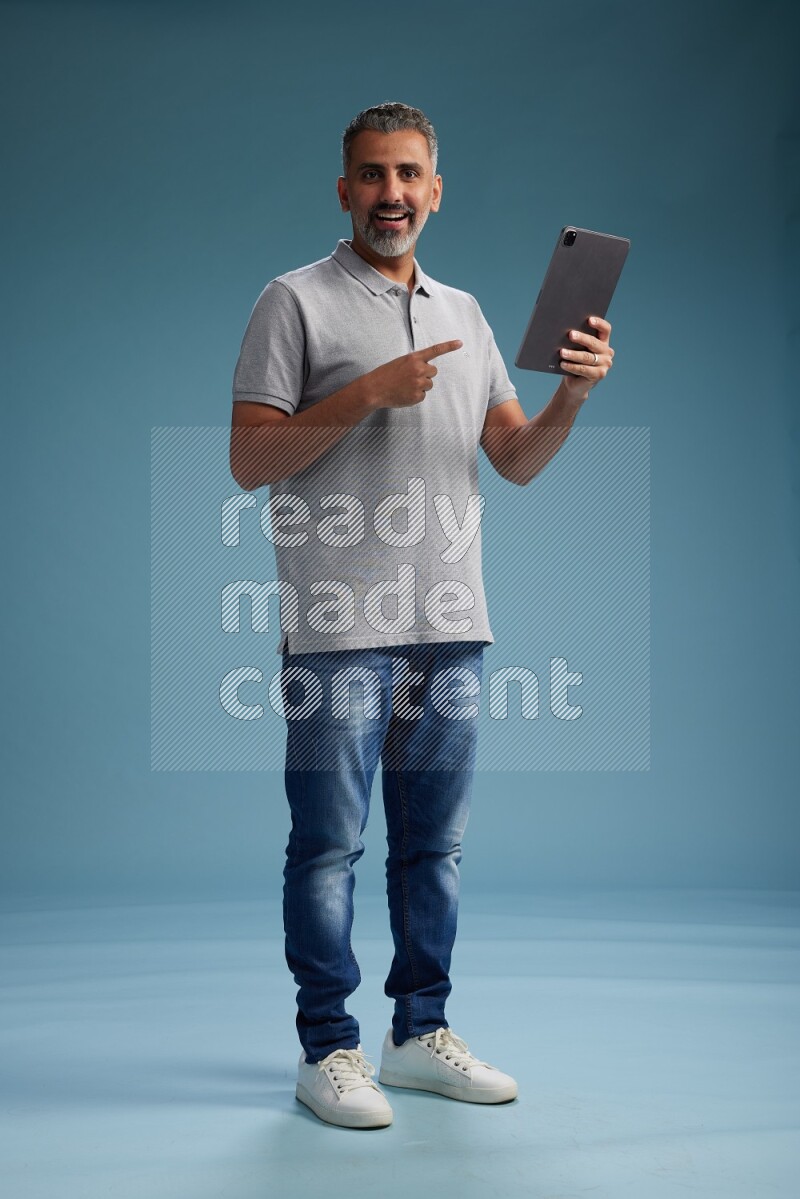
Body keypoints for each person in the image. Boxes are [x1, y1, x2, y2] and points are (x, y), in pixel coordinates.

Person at [230, 102, 615, 1130]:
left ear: (435, 191)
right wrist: (362, 394)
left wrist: (572, 398)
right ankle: (328, 1047)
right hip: (336, 627)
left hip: (449, 621)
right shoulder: (292, 301)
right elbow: (249, 458)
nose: (390, 193)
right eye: (371, 174)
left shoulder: (469, 314)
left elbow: (514, 459)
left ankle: (416, 1033)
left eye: (408, 174)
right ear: (343, 190)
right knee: (328, 847)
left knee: (432, 849)